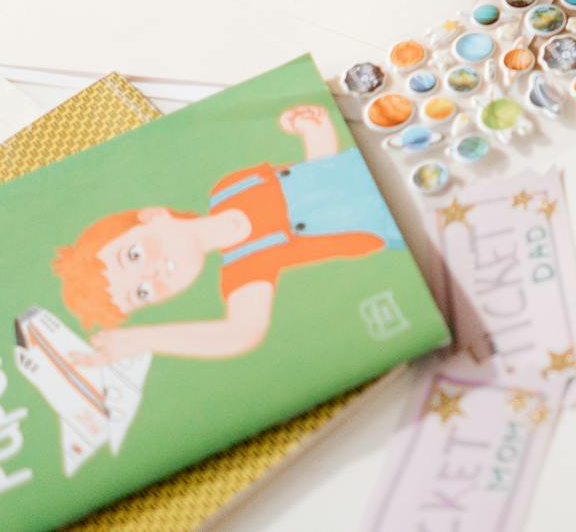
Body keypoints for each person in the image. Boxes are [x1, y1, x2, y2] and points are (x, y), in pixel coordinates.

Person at [52, 101, 395, 365]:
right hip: (392, 218)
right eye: (141, 293)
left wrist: (313, 129)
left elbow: (316, 173)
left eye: (133, 256)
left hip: (373, 149)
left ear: (153, 216)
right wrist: (142, 339)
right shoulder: (244, 269)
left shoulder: (230, 188)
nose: (151, 274)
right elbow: (239, 334)